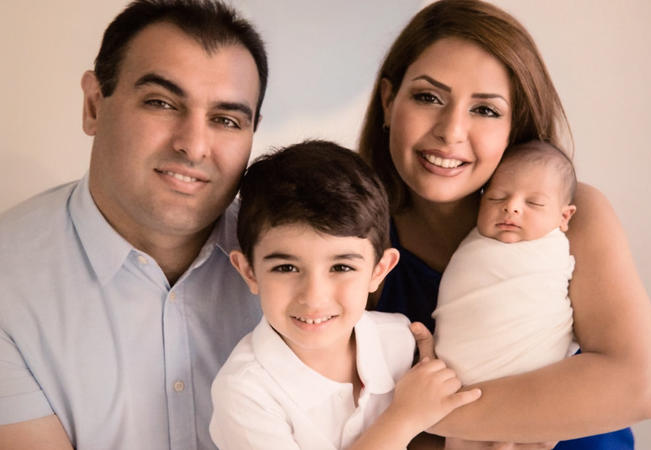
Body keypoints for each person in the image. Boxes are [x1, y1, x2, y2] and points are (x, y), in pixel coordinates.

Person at [358, 0, 651, 448]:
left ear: (514, 125)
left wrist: (423, 419)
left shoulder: (571, 217)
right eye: (429, 97)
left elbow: (640, 386)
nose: (451, 130)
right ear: (389, 102)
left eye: (485, 110)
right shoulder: (349, 232)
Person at [0, 1, 268, 448]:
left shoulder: (308, 266)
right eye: (161, 103)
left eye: (225, 120)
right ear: (93, 105)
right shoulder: (7, 286)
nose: (194, 146)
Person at [208, 140, 481, 450]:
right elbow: (411, 422)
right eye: (286, 268)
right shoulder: (245, 391)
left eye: (340, 267)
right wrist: (405, 417)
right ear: (249, 272)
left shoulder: (399, 340)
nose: (313, 296)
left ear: (379, 270)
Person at [434, 141, 579, 449]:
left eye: (534, 203)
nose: (511, 207)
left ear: (564, 217)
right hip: (463, 392)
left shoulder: (552, 250)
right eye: (497, 197)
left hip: (531, 385)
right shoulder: (473, 246)